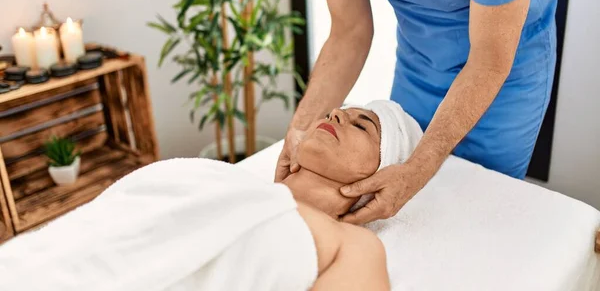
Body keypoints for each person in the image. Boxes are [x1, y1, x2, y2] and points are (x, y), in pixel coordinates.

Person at [276, 0, 558, 226]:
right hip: (419, 63)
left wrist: (418, 169)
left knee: (474, 215)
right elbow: (348, 33)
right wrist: (300, 129)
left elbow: (489, 57)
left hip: (504, 78)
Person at [0, 100, 421, 291]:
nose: (337, 114)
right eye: (342, 110)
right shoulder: (212, 175)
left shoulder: (353, 245)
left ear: (380, 177)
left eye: (362, 125)